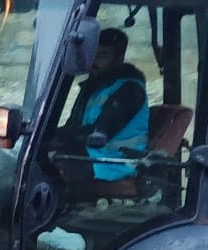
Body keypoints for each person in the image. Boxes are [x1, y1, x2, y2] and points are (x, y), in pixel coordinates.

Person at [58, 27, 149, 194]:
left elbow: (100, 133)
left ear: (119, 59)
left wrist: (61, 141)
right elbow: (73, 127)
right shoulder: (94, 88)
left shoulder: (130, 89)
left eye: (102, 56)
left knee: (52, 168)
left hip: (116, 161)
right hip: (94, 155)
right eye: (93, 55)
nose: (94, 62)